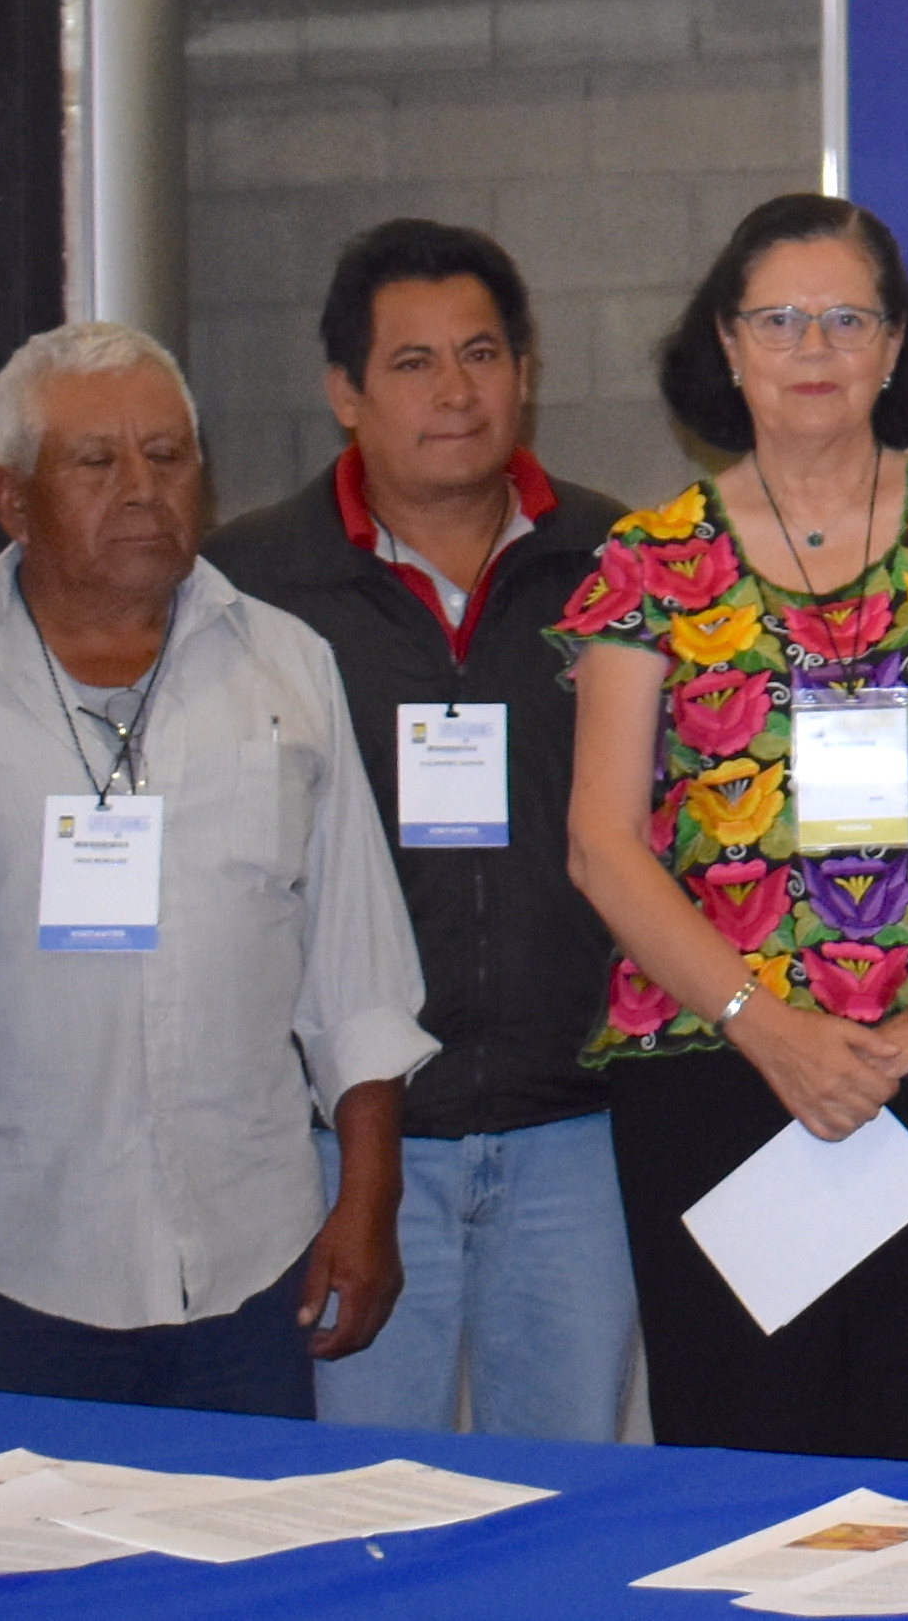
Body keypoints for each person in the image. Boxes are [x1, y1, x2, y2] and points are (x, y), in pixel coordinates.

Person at [557, 194, 908, 1463]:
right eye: (779, 318)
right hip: (719, 1063)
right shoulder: (646, 559)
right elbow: (601, 841)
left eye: (846, 316)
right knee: (744, 1456)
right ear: (729, 346)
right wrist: (769, 1024)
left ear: (897, 344)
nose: (814, 346)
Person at [0, 324, 432, 1414]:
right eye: (95, 460)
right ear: (12, 497)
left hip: (248, 1259)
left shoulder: (287, 664)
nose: (141, 490)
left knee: (239, 1578)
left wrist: (368, 1201)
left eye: (168, 456)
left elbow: (356, 970)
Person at [203, 220, 639, 1442]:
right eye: (411, 362)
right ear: (344, 391)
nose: (455, 392)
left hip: (577, 1137)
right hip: (338, 1147)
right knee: (356, 1513)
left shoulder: (624, 567)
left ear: (526, 367)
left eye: (482, 353)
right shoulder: (246, 587)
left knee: (558, 1507)